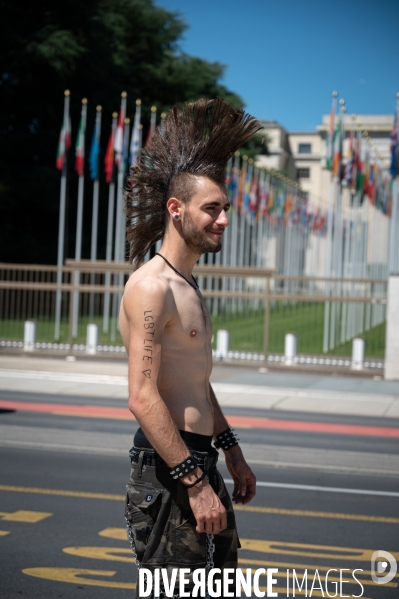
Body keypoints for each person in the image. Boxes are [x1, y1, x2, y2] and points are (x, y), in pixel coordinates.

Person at [119, 98, 262, 598]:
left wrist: (233, 454)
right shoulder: (151, 287)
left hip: (199, 462)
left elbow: (196, 385)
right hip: (168, 470)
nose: (223, 219)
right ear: (175, 210)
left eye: (225, 209)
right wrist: (195, 484)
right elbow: (142, 396)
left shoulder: (188, 286)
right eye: (212, 209)